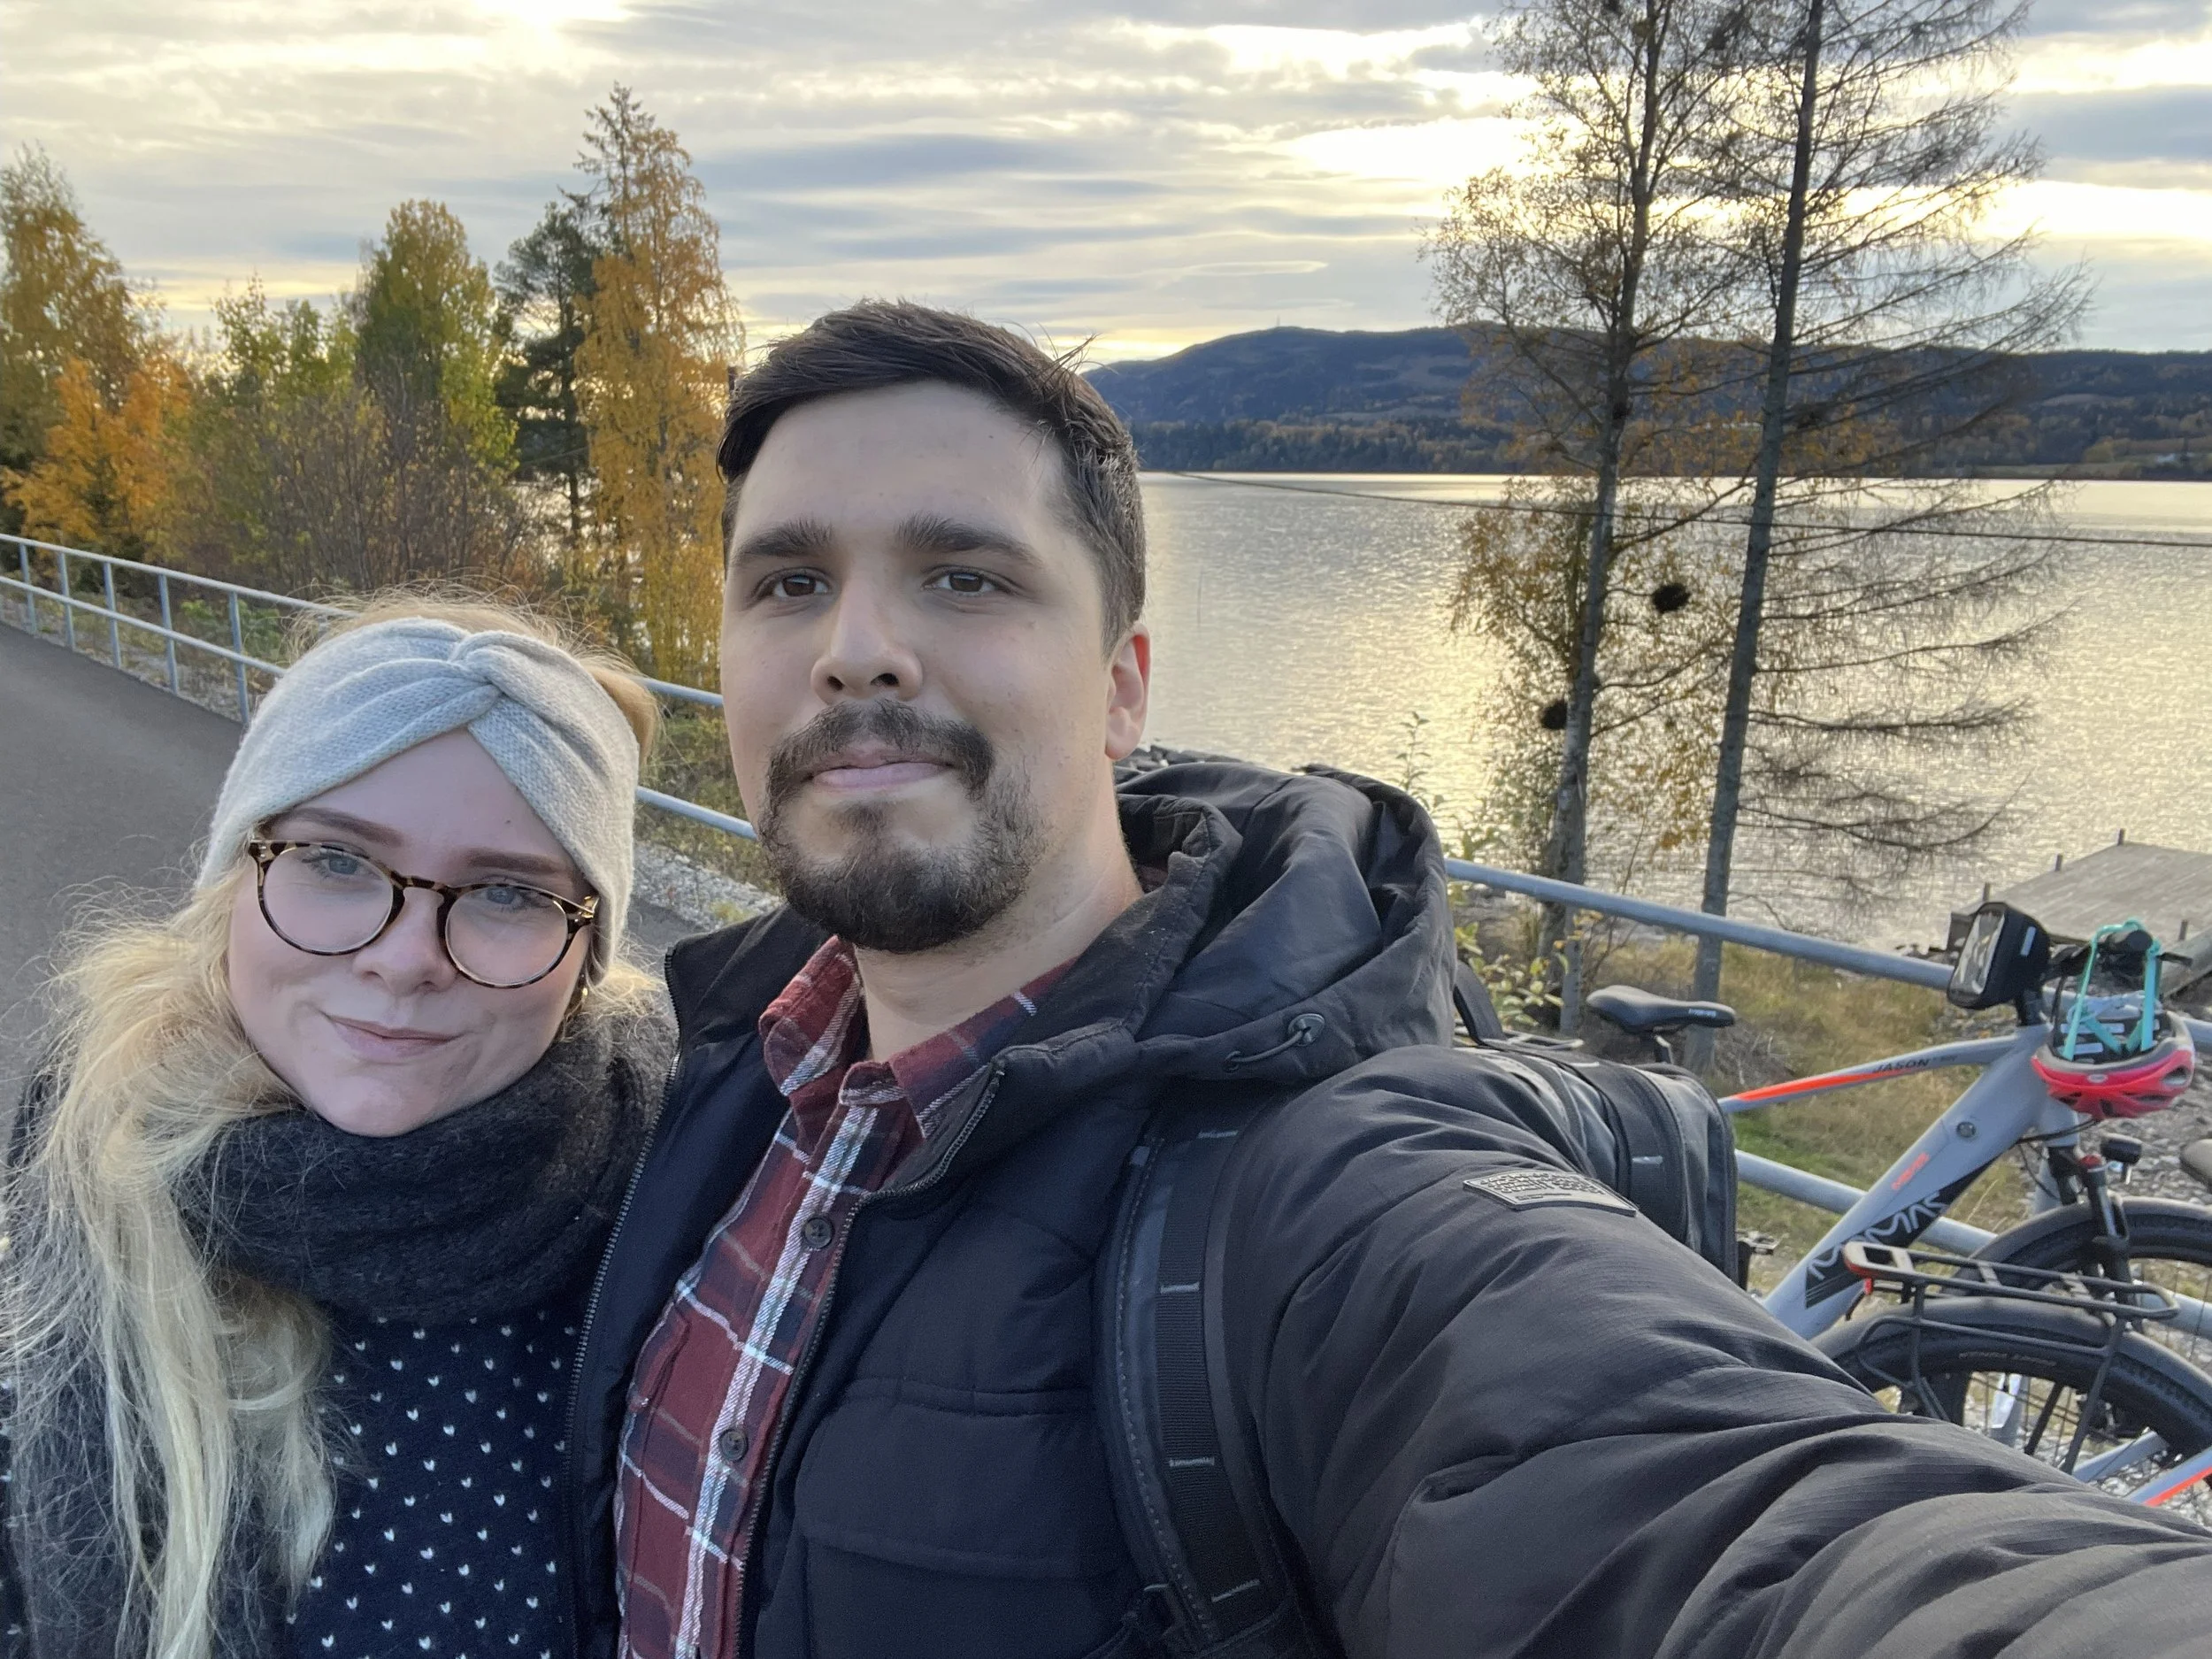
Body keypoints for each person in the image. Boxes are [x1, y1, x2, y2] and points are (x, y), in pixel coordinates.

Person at [561, 302, 2212, 1659]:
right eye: (789, 582)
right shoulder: (708, 1066)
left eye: (967, 577)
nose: (857, 645)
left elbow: (1741, 1522)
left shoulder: (1320, 1192)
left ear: (1123, 689)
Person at [1, 599, 675, 1659]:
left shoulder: (684, 1216)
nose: (407, 958)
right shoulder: (74, 1193)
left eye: (505, 892)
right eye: (337, 862)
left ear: (586, 963)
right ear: (236, 881)